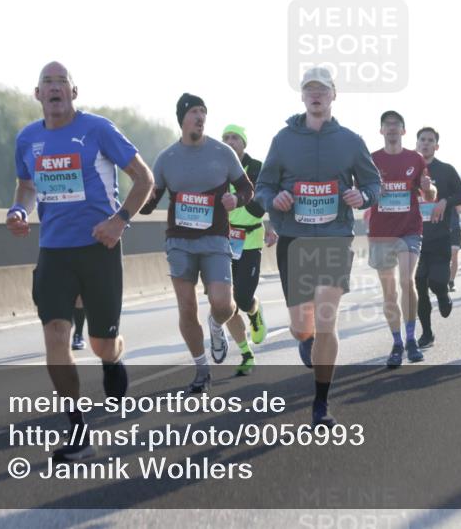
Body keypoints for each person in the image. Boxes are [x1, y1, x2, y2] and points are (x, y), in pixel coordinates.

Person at [7, 61, 153, 462]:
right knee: (55, 334)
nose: (54, 89)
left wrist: (119, 221)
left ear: (74, 92)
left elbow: (145, 179)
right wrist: (19, 211)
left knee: (101, 344)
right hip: (54, 251)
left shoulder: (97, 130)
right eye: (47, 83)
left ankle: (114, 357)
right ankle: (77, 428)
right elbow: (25, 187)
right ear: (37, 94)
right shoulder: (27, 139)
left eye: (61, 83)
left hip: (98, 249)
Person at [255, 66, 380, 427]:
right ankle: (304, 339)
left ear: (333, 95)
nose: (315, 95)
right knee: (301, 327)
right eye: (310, 89)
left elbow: (375, 184)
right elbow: (263, 185)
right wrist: (273, 197)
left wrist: (364, 195)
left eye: (322, 90)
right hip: (292, 239)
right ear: (302, 95)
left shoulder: (351, 140)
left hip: (334, 237)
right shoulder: (283, 139)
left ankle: (321, 404)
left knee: (327, 319)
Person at [140, 94, 256, 392]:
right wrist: (131, 202)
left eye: (204, 112)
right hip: (179, 242)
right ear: (182, 118)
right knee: (186, 308)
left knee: (223, 303)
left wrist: (236, 198)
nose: (200, 117)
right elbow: (150, 201)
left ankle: (217, 326)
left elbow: (246, 188)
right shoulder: (166, 158)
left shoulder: (222, 152)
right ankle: (202, 369)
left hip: (216, 238)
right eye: (194, 112)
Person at [368, 110, 435, 368]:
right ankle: (396, 342)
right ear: (382, 130)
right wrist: (374, 191)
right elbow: (360, 193)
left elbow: (428, 195)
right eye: (387, 125)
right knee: (389, 291)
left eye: (397, 125)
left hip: (409, 229)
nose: (392, 128)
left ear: (404, 131)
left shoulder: (415, 159)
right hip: (381, 232)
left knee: (407, 280)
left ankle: (411, 340)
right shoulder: (371, 160)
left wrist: (429, 188)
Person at [221, 123, 271, 376]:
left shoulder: (257, 168)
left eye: (235, 138)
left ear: (244, 143)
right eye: (226, 137)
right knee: (223, 302)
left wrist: (241, 200)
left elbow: (260, 205)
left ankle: (254, 311)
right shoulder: (217, 168)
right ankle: (246, 352)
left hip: (249, 241)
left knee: (242, 298)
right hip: (220, 241)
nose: (230, 141)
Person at [413, 127, 461, 349]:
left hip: (440, 236)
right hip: (413, 238)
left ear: (436, 145)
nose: (426, 143)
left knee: (436, 281)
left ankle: (443, 296)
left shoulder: (445, 170)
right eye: (422, 140)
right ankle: (426, 333)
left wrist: (445, 201)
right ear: (416, 143)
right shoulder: (409, 169)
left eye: (430, 140)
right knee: (419, 285)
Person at [448, 205, 461, 292]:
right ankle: (444, 280)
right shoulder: (438, 193)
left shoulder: (456, 193)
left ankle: (451, 282)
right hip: (441, 229)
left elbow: (460, 210)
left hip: (455, 229)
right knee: (445, 257)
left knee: (454, 255)